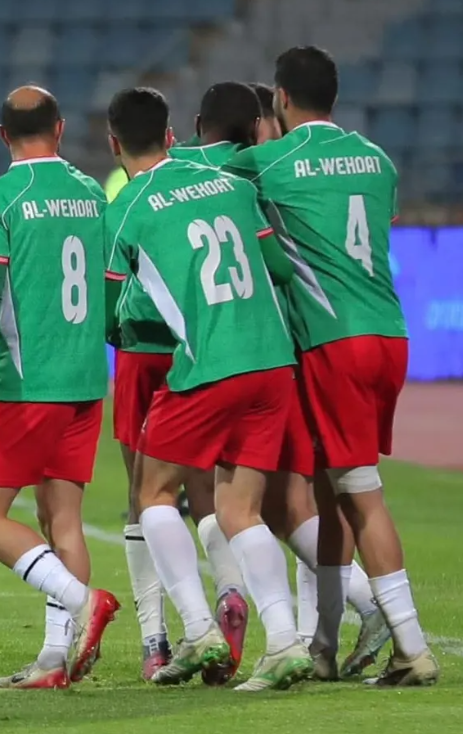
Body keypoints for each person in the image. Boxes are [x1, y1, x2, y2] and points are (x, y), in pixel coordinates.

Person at [230, 46, 439, 686]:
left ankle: (412, 647)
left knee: (361, 494)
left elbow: (211, 174)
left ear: (281, 98)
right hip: (389, 334)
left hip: (333, 341)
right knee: (331, 488)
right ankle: (322, 643)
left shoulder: (269, 161)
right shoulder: (377, 160)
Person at [104, 87, 313, 691]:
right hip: (272, 364)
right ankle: (285, 641)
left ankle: (197, 629)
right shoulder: (232, 186)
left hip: (209, 365)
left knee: (152, 491)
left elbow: (113, 309)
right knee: (238, 509)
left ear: (114, 145)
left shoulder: (126, 208)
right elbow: (275, 267)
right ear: (172, 135)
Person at [0, 85, 120, 690]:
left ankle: (84, 602)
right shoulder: (91, 193)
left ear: (3, 135)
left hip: (27, 385)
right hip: (85, 382)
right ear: (60, 128)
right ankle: (54, 659)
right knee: (62, 519)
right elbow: (111, 283)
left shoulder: (0, 197)